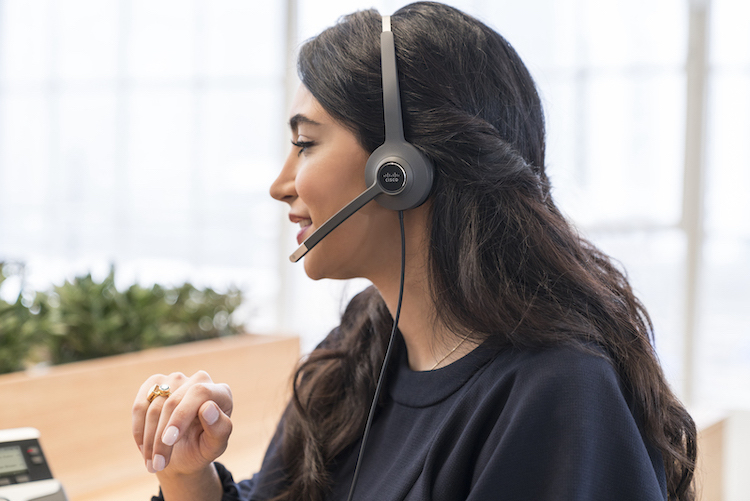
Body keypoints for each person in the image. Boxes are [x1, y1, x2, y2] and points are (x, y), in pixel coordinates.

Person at [131, 2, 696, 500]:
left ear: (398, 171)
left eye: (305, 144)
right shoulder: (361, 344)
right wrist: (187, 476)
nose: (281, 183)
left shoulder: (560, 398)